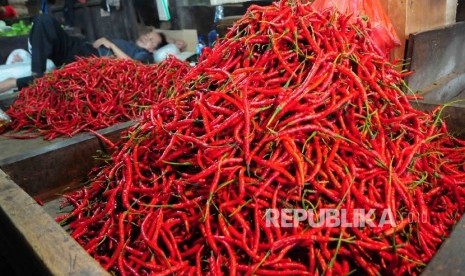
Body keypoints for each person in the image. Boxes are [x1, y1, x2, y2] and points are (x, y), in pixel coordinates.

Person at [0, 13, 186, 94]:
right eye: (147, 35)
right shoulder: (130, 42)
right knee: (45, 22)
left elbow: (133, 66)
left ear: (153, 49)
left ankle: (31, 76)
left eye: (152, 41)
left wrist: (110, 45)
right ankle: (36, 67)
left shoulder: (142, 55)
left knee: (45, 22)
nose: (147, 39)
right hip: (83, 48)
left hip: (90, 59)